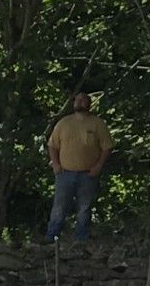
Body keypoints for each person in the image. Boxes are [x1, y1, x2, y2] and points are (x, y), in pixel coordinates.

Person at [45, 93, 112, 243]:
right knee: (59, 207)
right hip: (65, 173)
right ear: (73, 102)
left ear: (89, 103)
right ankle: (52, 238)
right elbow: (52, 145)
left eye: (84, 100)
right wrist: (55, 164)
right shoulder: (63, 123)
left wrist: (99, 166)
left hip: (88, 175)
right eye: (78, 99)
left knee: (84, 208)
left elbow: (107, 147)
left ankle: (81, 240)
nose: (80, 102)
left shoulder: (97, 124)